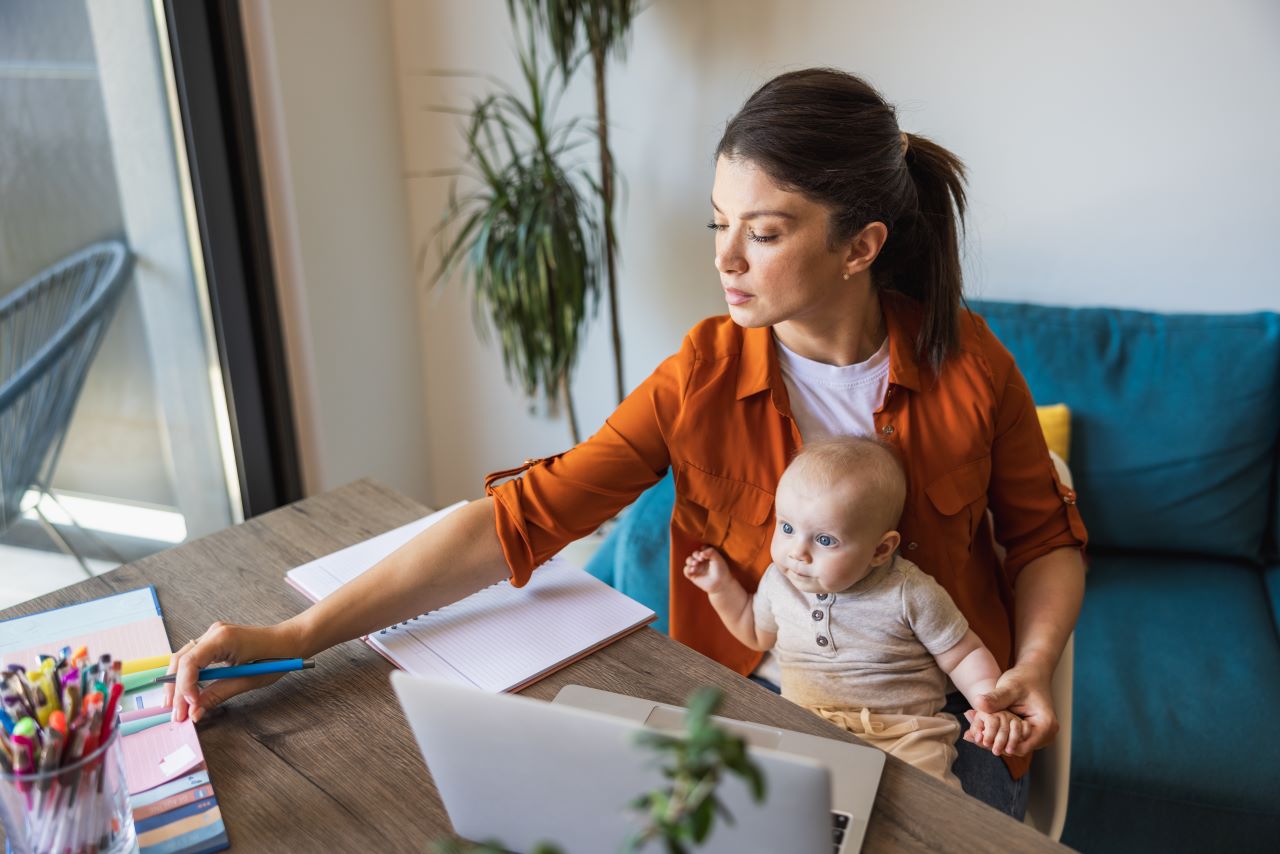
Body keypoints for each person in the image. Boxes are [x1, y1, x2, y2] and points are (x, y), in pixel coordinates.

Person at [167, 67, 1087, 818]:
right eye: (719, 225)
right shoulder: (701, 375)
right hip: (761, 711)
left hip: (947, 726)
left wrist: (1032, 669)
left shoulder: (970, 365)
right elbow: (516, 523)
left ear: (861, 247)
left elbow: (1045, 540)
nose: (725, 260)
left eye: (763, 233)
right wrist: (293, 636)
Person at [684, 436, 1024, 787]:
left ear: (880, 549)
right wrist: (720, 588)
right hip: (802, 721)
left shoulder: (909, 591)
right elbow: (755, 633)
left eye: (825, 540)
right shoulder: (779, 582)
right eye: (787, 528)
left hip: (902, 733)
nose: (797, 552)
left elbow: (963, 654)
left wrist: (987, 703)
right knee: (764, 787)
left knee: (922, 800)